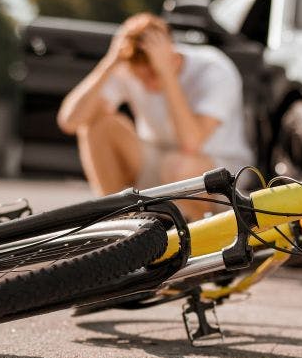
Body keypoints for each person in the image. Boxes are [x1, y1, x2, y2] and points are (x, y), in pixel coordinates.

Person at [57, 12, 253, 219]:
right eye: (141, 77)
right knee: (96, 125)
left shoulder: (214, 69)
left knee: (177, 164)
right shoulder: (130, 67)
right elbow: (70, 121)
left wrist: (166, 74)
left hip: (218, 171)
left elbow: (191, 143)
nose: (149, 84)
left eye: (153, 74)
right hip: (158, 163)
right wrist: (110, 61)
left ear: (172, 53)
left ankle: (198, 234)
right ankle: (116, 219)